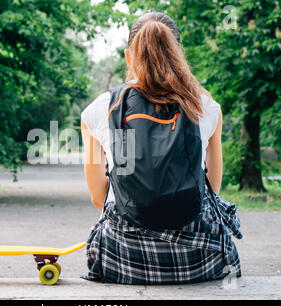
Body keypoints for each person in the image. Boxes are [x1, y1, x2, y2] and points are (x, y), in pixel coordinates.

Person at [80, 12, 242, 285]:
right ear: (177, 54)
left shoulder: (100, 109)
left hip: (123, 258)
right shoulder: (206, 107)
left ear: (129, 56)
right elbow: (211, 190)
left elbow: (99, 198)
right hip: (198, 259)